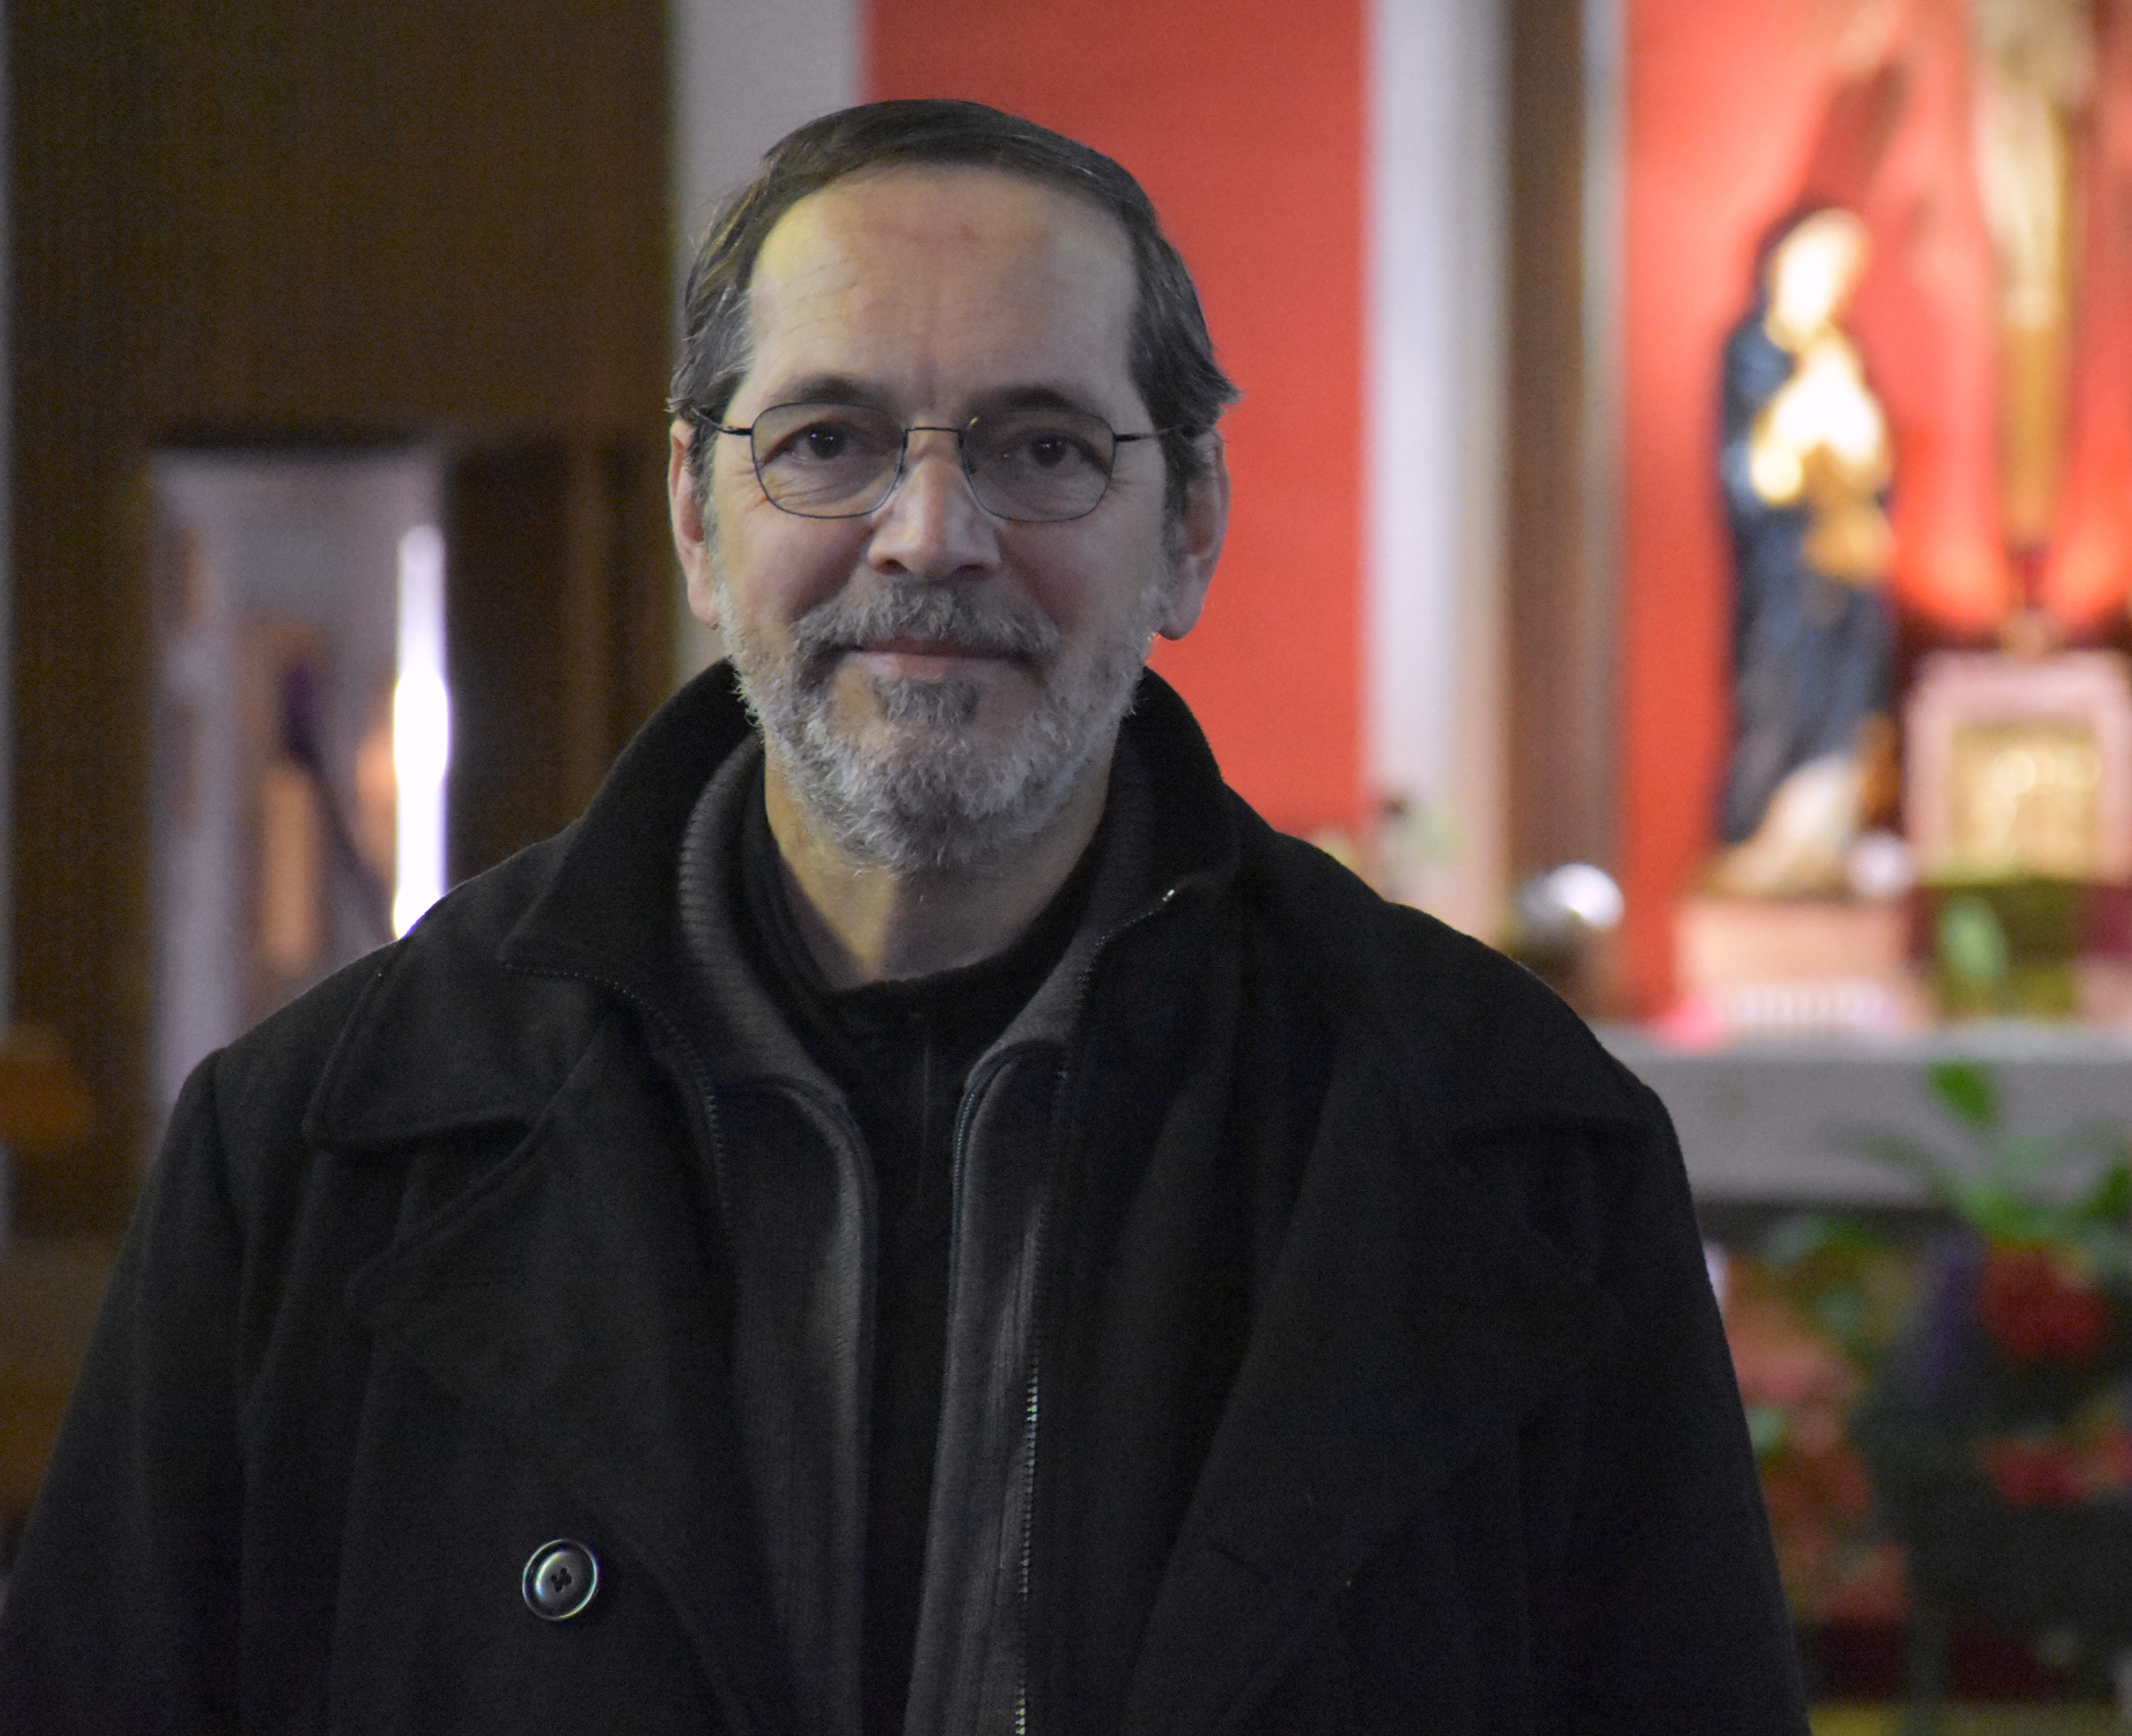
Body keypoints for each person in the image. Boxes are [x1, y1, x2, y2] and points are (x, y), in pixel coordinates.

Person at [0, 100, 1807, 1734]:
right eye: (831, 439)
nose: (930, 534)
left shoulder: (1508, 1150)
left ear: (1186, 532)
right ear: (703, 521)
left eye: (1038, 449)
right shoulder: (319, 1146)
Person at [1711, 204, 1895, 898]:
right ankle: (1763, 851)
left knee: (1844, 715)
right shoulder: (1757, 352)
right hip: (1786, 574)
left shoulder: (1842, 352)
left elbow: (1876, 470)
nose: (1835, 284)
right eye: (1823, 264)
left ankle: (1820, 854)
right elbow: (1748, 475)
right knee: (1780, 703)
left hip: (1846, 573)